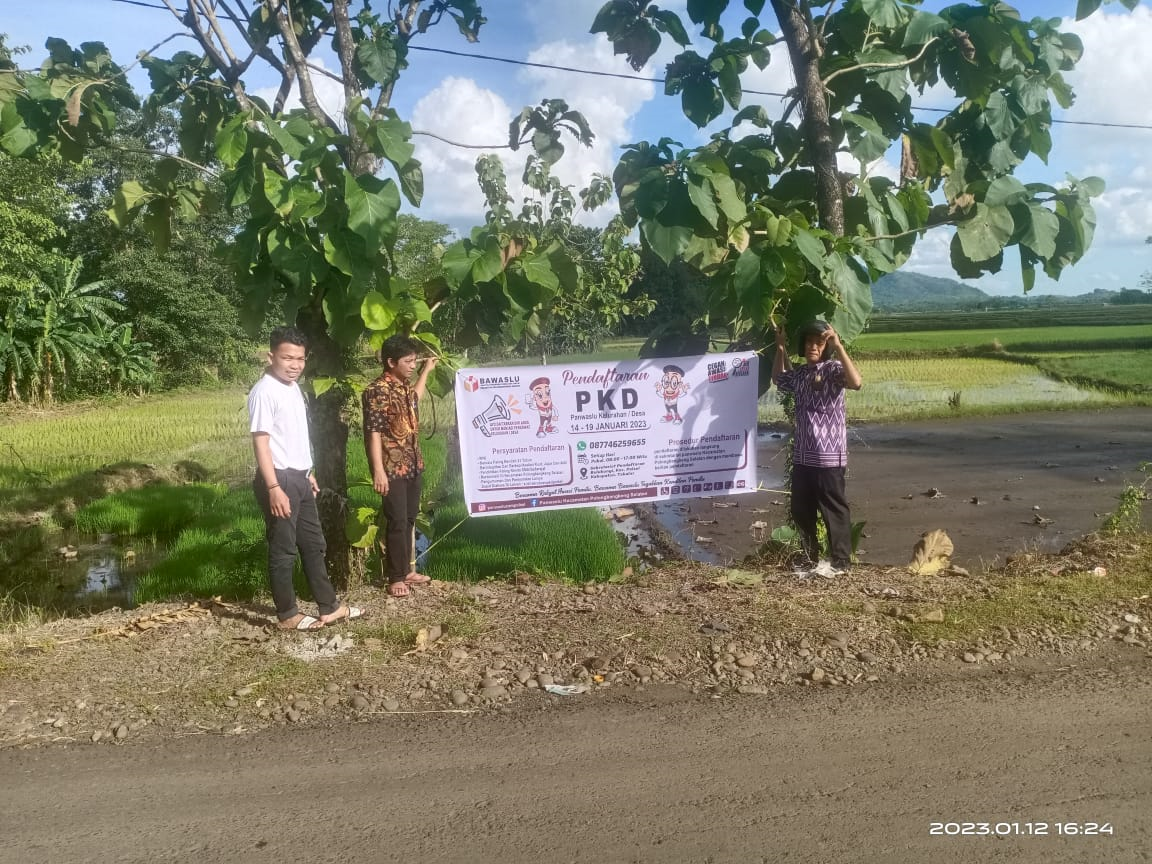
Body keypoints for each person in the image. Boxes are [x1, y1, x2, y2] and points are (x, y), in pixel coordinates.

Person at [248, 326, 362, 629]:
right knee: (284, 548)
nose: (295, 365)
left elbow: (294, 435)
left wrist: (308, 472)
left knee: (314, 543)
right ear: (271, 356)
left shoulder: (293, 387)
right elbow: (261, 441)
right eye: (287, 358)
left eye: (300, 358)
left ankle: (329, 607)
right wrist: (273, 487)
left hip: (298, 476)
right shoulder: (265, 391)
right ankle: (287, 614)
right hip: (279, 479)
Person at [772, 320, 863, 576]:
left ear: (825, 347)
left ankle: (841, 562)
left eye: (819, 343)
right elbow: (779, 379)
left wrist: (839, 347)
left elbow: (856, 382)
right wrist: (780, 349)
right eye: (809, 342)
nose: (813, 347)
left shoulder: (833, 369)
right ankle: (809, 557)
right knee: (801, 509)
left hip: (828, 455)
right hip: (803, 453)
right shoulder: (801, 373)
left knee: (833, 508)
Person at [362, 334, 438, 597]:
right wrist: (378, 470)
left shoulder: (404, 387)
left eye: (415, 361)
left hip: (413, 464)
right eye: (408, 361)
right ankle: (395, 577)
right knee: (395, 520)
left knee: (407, 519)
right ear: (391, 361)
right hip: (391, 466)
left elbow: (414, 399)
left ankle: (407, 570)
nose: (412, 365)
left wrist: (427, 371)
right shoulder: (377, 391)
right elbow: (372, 432)